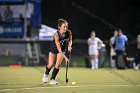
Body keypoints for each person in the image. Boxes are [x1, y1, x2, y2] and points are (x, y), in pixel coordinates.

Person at [42, 18, 72, 84]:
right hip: (54, 48)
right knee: (50, 64)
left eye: (67, 26)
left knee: (58, 65)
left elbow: (70, 40)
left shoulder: (69, 32)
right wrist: (65, 58)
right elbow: (59, 49)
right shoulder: (56, 34)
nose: (66, 28)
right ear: (59, 27)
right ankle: (46, 74)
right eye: (64, 26)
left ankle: (52, 79)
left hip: (63, 48)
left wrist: (69, 46)